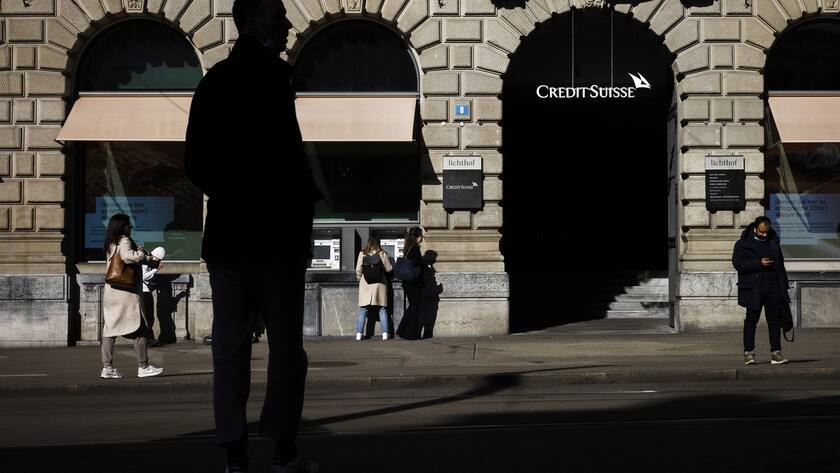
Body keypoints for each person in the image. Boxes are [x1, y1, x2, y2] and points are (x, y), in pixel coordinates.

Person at [184, 0, 320, 470]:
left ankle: (234, 453)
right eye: (277, 16)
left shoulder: (214, 81)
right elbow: (285, 160)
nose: (286, 24)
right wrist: (294, 203)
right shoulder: (276, 80)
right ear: (251, 22)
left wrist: (231, 194)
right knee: (285, 350)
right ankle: (283, 450)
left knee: (230, 349)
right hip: (275, 237)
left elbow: (195, 163)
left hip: (228, 238)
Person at [101, 214, 163, 379]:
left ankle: (107, 368)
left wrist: (145, 257)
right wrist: (141, 254)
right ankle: (143, 366)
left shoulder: (110, 241)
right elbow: (128, 257)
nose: (131, 227)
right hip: (125, 293)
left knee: (109, 330)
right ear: (123, 226)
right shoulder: (124, 240)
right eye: (129, 225)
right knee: (139, 328)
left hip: (111, 291)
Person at [732, 216, 791, 365]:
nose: (764, 235)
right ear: (755, 229)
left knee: (775, 322)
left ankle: (776, 353)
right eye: (761, 232)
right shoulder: (743, 244)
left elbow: (780, 266)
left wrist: (784, 287)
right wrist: (759, 263)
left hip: (773, 287)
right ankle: (749, 353)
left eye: (767, 232)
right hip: (753, 288)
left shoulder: (773, 242)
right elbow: (738, 264)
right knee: (751, 321)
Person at [355, 238, 393, 341]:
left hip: (365, 284)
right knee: (382, 309)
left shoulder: (362, 253)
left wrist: (360, 279)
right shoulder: (382, 253)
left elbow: (358, 269)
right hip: (379, 284)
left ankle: (359, 334)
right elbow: (389, 268)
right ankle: (385, 334)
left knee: (363, 309)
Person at [396, 227, 425, 340]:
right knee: (414, 307)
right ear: (418, 237)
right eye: (421, 236)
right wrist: (425, 264)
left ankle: (402, 330)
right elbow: (416, 264)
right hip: (414, 283)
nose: (422, 238)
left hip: (407, 283)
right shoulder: (415, 249)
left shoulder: (408, 247)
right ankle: (410, 333)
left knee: (412, 306)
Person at [141, 247, 166, 346]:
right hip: (144, 292)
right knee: (148, 317)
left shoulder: (149, 262)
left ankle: (149, 338)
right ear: (155, 256)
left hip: (146, 291)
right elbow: (144, 276)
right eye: (159, 259)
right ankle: (148, 339)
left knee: (149, 316)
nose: (159, 261)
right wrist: (155, 270)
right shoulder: (145, 262)